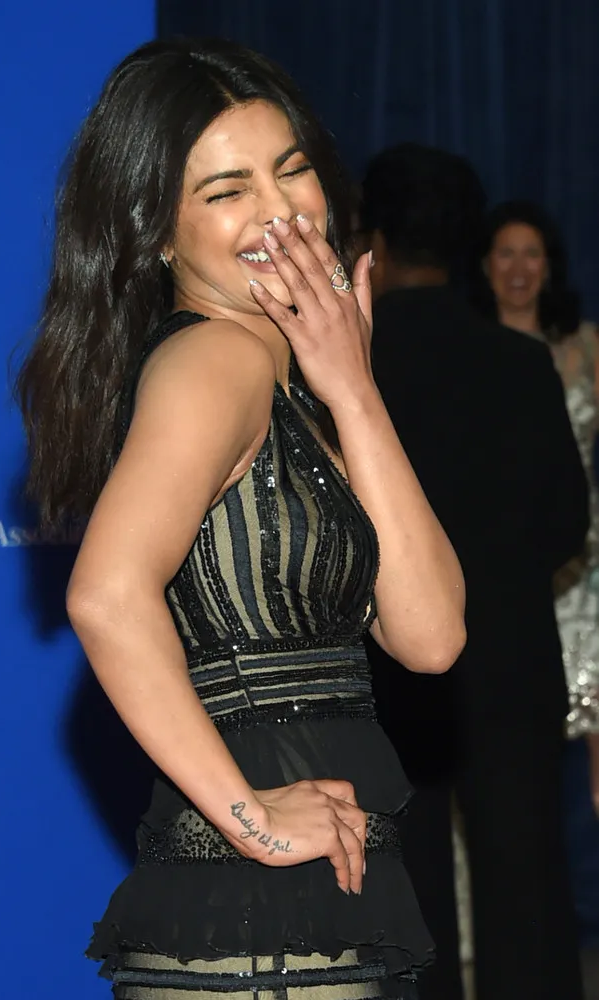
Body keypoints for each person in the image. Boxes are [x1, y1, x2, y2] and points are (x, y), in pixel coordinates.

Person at [16, 42, 466, 999]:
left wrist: (353, 390)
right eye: (228, 190)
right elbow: (104, 594)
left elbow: (429, 636)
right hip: (263, 916)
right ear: (161, 233)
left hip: (319, 889)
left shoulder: (297, 384)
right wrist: (251, 820)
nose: (279, 209)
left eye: (292, 167)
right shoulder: (214, 361)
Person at [358, 144, 588, 1000]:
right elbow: (569, 521)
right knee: (524, 891)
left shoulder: (348, 375)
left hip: (386, 673)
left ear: (370, 241)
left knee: (404, 902)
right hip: (512, 660)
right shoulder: (521, 365)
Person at [479, 199, 599, 957]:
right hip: (510, 585)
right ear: (485, 265)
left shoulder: (585, 349)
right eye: (505, 253)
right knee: (504, 782)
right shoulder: (470, 351)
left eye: (533, 253)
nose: (520, 268)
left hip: (589, 576)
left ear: (549, 265)